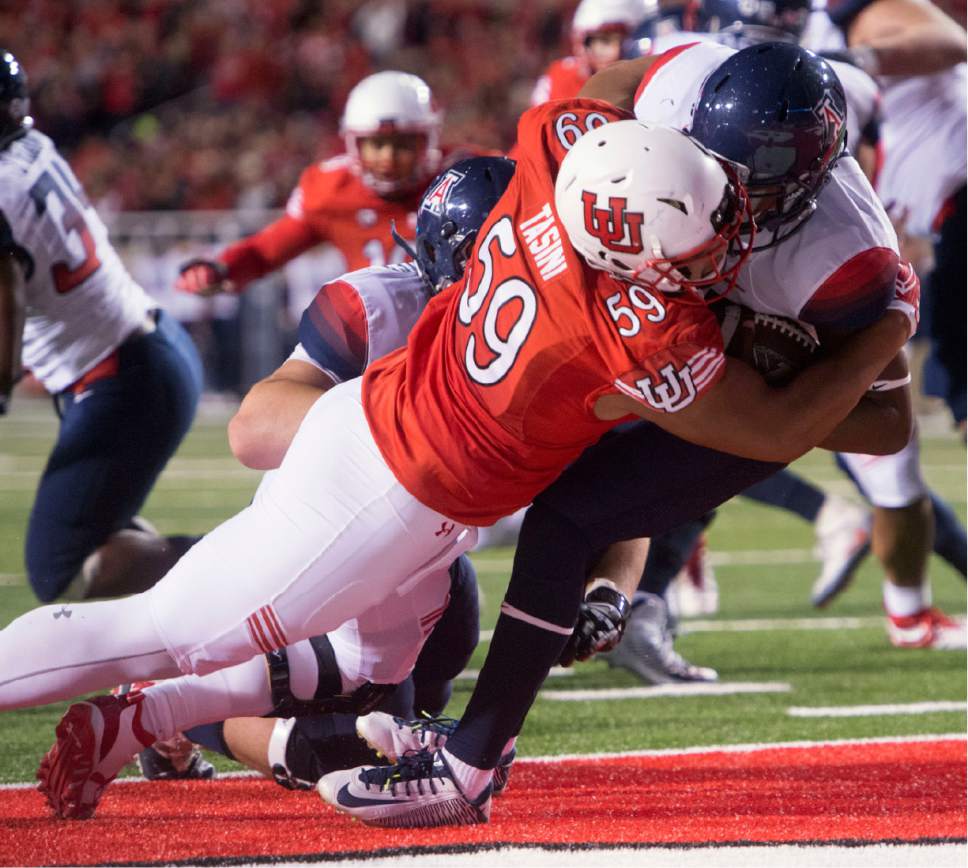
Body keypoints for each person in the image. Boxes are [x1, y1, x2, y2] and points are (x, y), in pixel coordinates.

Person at [1, 95, 911, 832]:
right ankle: (129, 691)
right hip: (388, 498)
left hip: (380, 432)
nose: (723, 249)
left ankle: (138, 720)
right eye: (696, 246)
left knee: (358, 666)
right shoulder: (630, 328)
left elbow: (603, 115)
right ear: (629, 258)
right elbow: (776, 425)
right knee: (163, 630)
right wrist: (889, 324)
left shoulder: (555, 152)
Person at [314, 44, 921, 827]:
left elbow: (888, 424)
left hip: (731, 368)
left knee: (569, 516)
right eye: (705, 162)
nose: (719, 193)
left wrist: (875, 333)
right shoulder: (679, 87)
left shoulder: (844, 262)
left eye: (747, 185)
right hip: (638, 315)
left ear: (801, 184)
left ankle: (471, 761)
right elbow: (596, 104)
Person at [0, 50, 203, 603]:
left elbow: (7, 302)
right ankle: (194, 623)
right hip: (141, 355)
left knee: (57, 571)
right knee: (100, 542)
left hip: (123, 377)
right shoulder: (32, 148)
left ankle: (258, 569)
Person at [174, 70, 447, 296]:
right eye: (377, 144)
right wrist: (223, 267)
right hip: (377, 332)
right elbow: (266, 250)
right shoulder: (331, 188)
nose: (388, 157)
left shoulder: (465, 176)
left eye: (402, 143)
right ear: (354, 143)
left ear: (428, 139)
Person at [530, 0, 651, 105]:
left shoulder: (652, 77)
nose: (616, 52)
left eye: (625, 42)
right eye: (604, 41)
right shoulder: (562, 78)